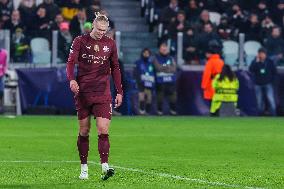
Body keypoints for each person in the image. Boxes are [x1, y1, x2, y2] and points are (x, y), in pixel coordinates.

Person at [66, 12, 123, 180]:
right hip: (83, 92)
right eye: (98, 29)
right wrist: (71, 80)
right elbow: (70, 62)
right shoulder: (80, 41)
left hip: (102, 92)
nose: (101, 33)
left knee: (103, 129)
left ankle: (105, 167)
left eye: (104, 30)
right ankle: (84, 168)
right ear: (92, 25)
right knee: (84, 130)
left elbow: (116, 68)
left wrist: (119, 91)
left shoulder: (110, 44)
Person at [249, 48, 277, 116]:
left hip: (268, 83)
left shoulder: (269, 61)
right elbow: (251, 70)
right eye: (260, 53)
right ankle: (259, 114)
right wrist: (256, 62)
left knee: (271, 99)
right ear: (258, 54)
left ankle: (274, 114)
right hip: (258, 84)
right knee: (259, 101)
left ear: (265, 54)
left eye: (263, 53)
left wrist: (271, 80)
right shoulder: (255, 61)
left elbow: (274, 71)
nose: (261, 55)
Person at [201, 41, 224, 115]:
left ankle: (213, 114)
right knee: (218, 103)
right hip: (220, 85)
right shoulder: (221, 61)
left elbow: (206, 75)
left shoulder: (210, 62)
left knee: (212, 104)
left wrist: (203, 86)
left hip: (211, 85)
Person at [153, 42, 177, 115]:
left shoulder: (171, 58)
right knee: (160, 97)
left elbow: (174, 69)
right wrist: (167, 67)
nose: (164, 49)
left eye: (165, 47)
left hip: (170, 81)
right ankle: (159, 111)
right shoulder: (156, 58)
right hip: (160, 82)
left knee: (173, 97)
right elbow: (158, 68)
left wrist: (164, 67)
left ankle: (173, 111)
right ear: (159, 49)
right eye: (162, 47)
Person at [135, 48, 155, 115]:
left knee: (149, 98)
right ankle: (141, 111)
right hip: (141, 83)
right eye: (145, 53)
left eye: (147, 53)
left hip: (149, 82)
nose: (146, 54)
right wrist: (138, 81)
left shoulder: (151, 63)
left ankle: (147, 112)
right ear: (142, 53)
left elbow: (152, 73)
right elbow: (136, 73)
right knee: (142, 96)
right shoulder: (138, 62)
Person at [0, 48, 7, 113]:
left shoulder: (4, 53)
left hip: (1, 75)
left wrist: (5, 72)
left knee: (1, 91)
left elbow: (4, 64)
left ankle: (1, 108)